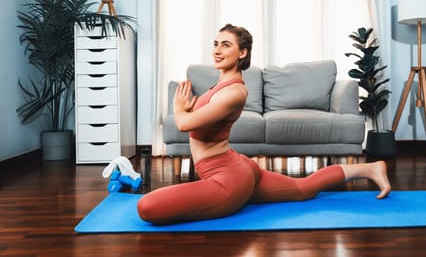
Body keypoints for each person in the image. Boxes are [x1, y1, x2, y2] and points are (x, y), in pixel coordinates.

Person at [137, 24, 391, 225]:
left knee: (146, 208)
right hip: (237, 165)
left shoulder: (234, 92)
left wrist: (179, 107)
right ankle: (370, 169)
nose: (217, 50)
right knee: (303, 189)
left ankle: (237, 197)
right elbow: (199, 120)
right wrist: (190, 108)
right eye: (215, 44)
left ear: (242, 52)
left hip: (226, 181)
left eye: (226, 45)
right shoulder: (219, 85)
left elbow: (183, 124)